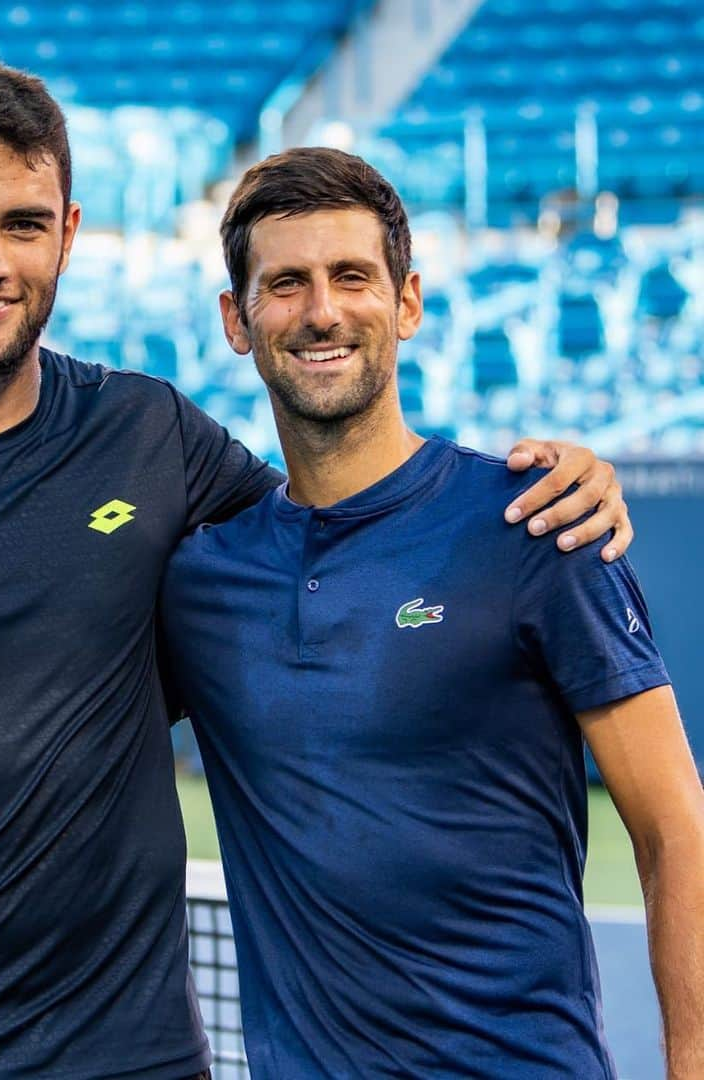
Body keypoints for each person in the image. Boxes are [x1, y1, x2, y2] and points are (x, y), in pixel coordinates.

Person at [0, 62, 631, 1078]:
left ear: (67, 233)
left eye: (22, 223)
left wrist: (561, 475)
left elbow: (347, 520)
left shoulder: (152, 434)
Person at [157, 147, 704, 1079]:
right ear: (236, 322)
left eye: (352, 277)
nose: (322, 311)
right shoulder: (201, 577)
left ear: (406, 302)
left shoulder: (539, 525)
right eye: (285, 283)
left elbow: (673, 830)